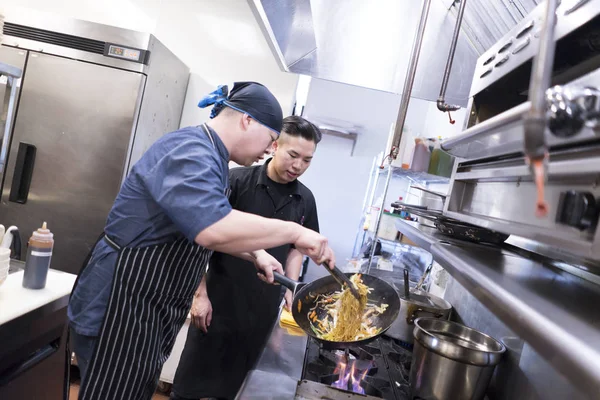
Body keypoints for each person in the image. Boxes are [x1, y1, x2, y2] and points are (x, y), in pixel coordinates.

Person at [67, 82, 335, 400]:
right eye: (271, 139)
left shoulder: (213, 159)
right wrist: (295, 232)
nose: (268, 149)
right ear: (247, 120)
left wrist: (255, 255)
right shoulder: (191, 152)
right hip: (120, 307)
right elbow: (211, 227)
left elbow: (199, 222)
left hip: (145, 308)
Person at [169, 116, 322, 400]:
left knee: (240, 391)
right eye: (293, 155)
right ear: (275, 146)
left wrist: (292, 286)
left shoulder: (305, 199)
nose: (298, 166)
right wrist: (199, 295)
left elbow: (296, 248)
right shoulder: (237, 181)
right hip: (218, 305)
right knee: (189, 390)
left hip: (262, 314)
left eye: (307, 160)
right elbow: (197, 238)